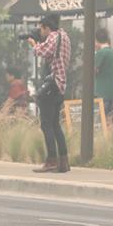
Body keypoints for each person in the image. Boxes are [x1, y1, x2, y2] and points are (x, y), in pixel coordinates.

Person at [27, 13, 72, 173]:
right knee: (55, 124)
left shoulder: (53, 37)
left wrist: (34, 44)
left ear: (47, 28)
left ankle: (51, 160)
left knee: (46, 124)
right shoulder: (64, 36)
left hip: (52, 85)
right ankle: (64, 161)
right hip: (60, 85)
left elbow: (42, 52)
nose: (40, 32)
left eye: (41, 29)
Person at [94, 28, 113, 120]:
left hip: (101, 93)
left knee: (99, 122)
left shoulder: (101, 53)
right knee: (108, 121)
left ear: (97, 40)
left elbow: (93, 71)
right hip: (112, 93)